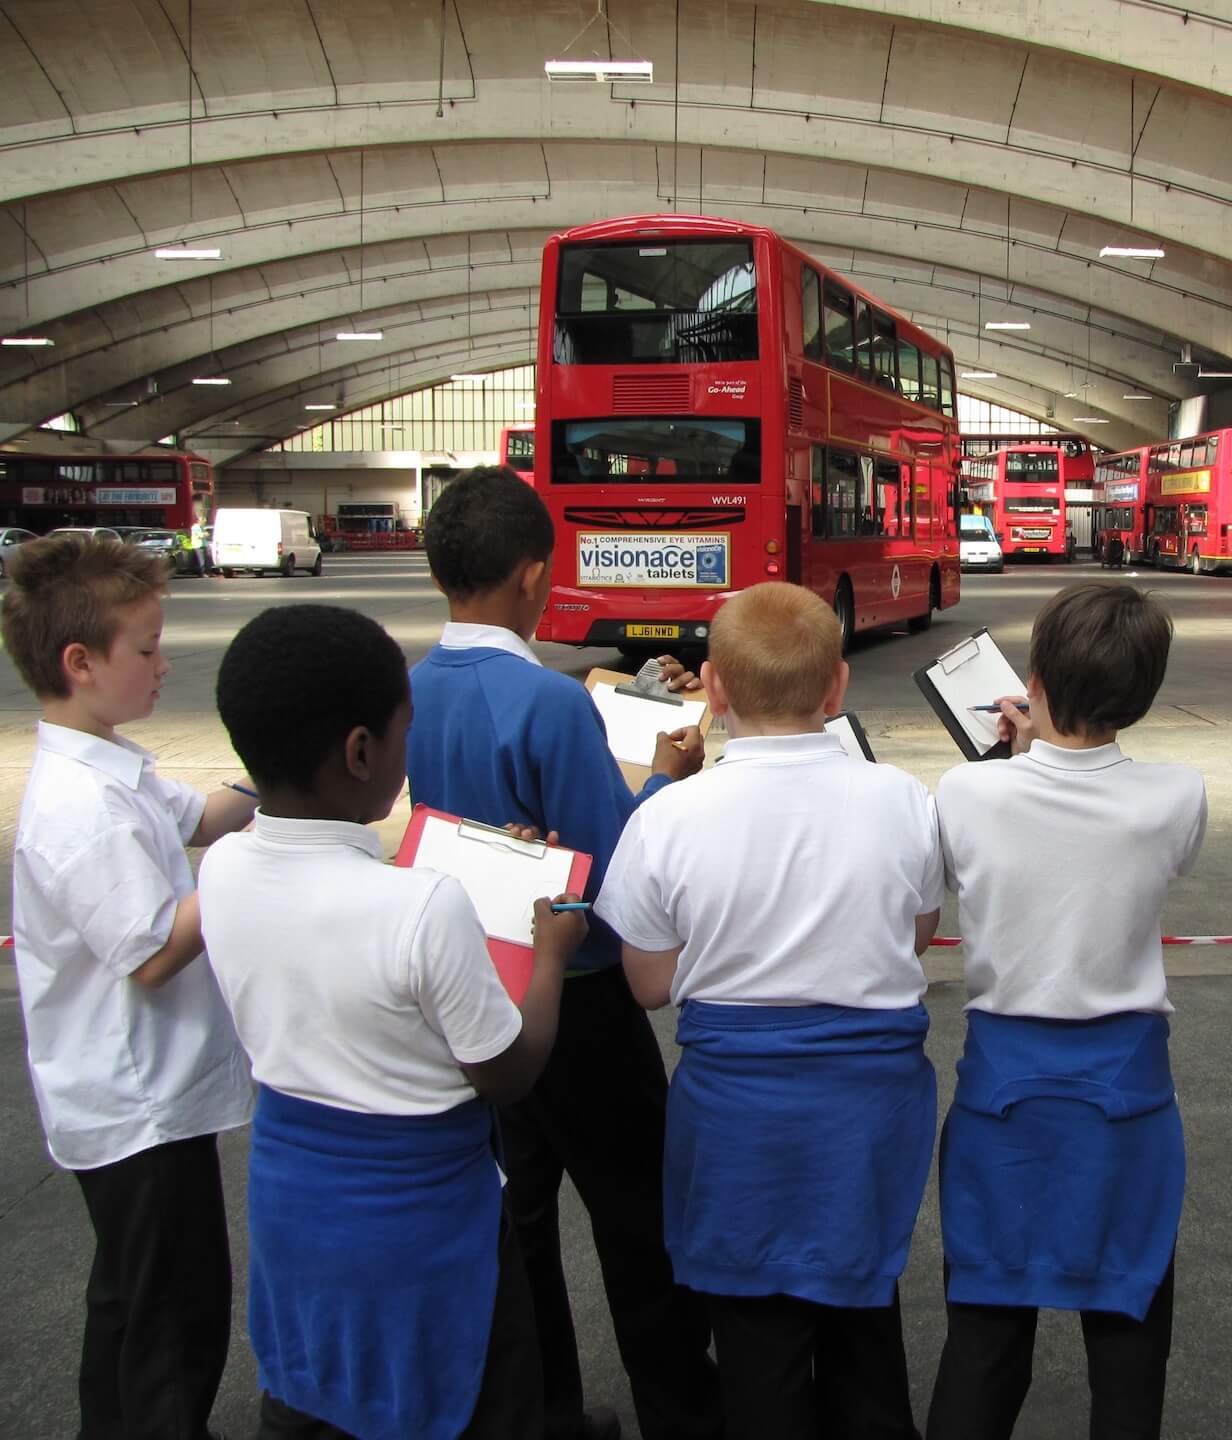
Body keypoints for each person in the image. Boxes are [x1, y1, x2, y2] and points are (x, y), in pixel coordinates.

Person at [197, 604, 582, 1439]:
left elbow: (347, 927)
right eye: (403, 735)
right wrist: (549, 950)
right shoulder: (424, 905)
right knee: (464, 1399)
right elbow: (508, 1071)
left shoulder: (222, 870)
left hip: (295, 1209)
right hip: (424, 1234)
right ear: (361, 751)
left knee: (321, 1392)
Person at [404, 466, 719, 1440]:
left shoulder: (411, 689)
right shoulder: (547, 704)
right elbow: (612, 874)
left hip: (478, 998)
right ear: (535, 575)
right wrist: (664, 780)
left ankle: (545, 1411)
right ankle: (680, 1414)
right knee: (638, 1226)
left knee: (521, 1221)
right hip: (576, 1000)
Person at [595, 582, 943, 1440]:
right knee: (865, 1327)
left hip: (737, 1128)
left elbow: (647, 983)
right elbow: (919, 932)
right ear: (837, 689)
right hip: (866, 1120)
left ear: (712, 689)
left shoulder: (669, 816)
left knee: (757, 1350)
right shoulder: (902, 800)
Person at [925, 582, 1206, 1440]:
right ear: (1145, 693)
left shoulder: (968, 793)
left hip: (1004, 1094)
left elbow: (995, 836)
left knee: (985, 1329)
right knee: (1127, 1331)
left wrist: (1016, 753)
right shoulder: (1178, 794)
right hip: (1126, 1097)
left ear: (1033, 681)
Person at [2, 534, 259, 1439]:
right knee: (171, 1321)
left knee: (128, 1302)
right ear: (81, 662)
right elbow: (154, 953)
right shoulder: (82, 809)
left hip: (150, 1097)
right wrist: (246, 872)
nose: (162, 665)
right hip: (135, 1107)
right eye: (145, 650)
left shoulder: (116, 766)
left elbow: (211, 813)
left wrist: (283, 759)